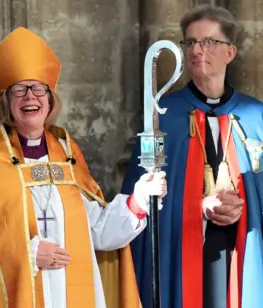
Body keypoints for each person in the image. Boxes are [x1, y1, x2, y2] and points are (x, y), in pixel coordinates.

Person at [0, 27, 167, 308]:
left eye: (38, 88)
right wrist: (28, 256)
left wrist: (137, 200)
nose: (30, 97)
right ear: (6, 101)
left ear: (49, 99)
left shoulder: (67, 155)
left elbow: (98, 232)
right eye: (19, 90)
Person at [122, 4, 263, 308]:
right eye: (190, 42)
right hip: (183, 250)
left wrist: (244, 206)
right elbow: (139, 201)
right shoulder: (162, 117)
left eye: (209, 41)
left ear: (231, 52)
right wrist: (196, 207)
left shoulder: (256, 118)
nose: (198, 50)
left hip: (244, 250)